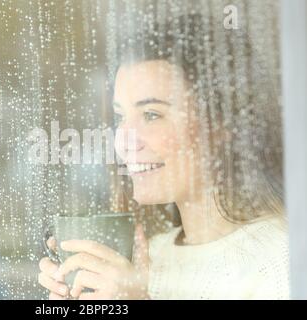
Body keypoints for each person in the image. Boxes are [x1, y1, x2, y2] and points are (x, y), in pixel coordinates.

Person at [38, 12, 289, 300]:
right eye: (120, 116)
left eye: (151, 114)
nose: (124, 142)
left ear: (223, 124)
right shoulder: (147, 258)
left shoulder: (281, 258)